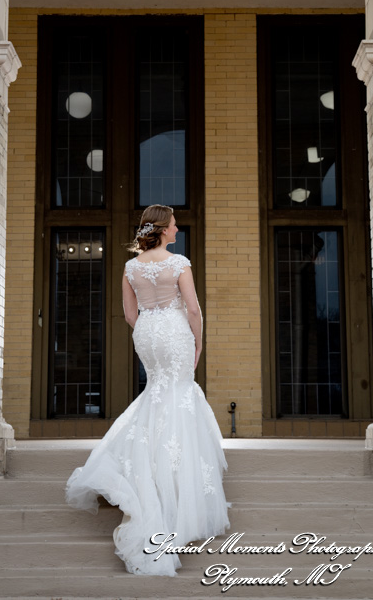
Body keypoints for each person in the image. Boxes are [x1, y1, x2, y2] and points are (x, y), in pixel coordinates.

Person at [65, 204, 230, 576]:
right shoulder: (178, 263)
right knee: (178, 393)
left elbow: (128, 314)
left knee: (157, 391)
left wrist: (148, 330)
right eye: (174, 224)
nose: (177, 228)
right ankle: (173, 487)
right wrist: (198, 342)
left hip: (147, 331)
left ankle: (146, 463)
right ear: (164, 229)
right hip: (174, 329)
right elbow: (192, 310)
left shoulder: (130, 267)